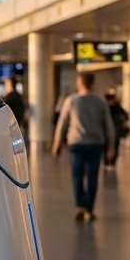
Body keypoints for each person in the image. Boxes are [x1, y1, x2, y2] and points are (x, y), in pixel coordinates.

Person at [52, 72, 116, 222]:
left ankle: (80, 206)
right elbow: (109, 125)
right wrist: (111, 146)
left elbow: (62, 123)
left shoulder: (71, 101)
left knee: (77, 175)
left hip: (76, 143)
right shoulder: (100, 102)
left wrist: (57, 142)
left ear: (80, 83)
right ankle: (89, 209)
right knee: (93, 177)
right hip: (95, 144)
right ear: (92, 83)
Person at [105, 91, 130, 168]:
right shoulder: (117, 107)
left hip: (105, 131)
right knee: (115, 146)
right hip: (116, 131)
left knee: (105, 147)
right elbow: (126, 117)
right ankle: (112, 162)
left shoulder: (104, 107)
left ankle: (106, 162)